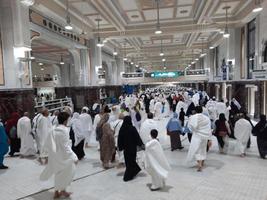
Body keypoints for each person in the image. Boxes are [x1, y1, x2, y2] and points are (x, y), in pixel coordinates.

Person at [40, 112, 78, 199]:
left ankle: (58, 191)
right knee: (69, 172)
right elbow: (66, 147)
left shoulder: (53, 129)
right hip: (64, 157)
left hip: (55, 156)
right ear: (65, 121)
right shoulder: (64, 130)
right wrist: (74, 157)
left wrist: (45, 154)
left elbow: (47, 143)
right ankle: (62, 190)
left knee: (58, 173)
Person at [185, 106, 212, 172]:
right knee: (202, 150)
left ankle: (199, 163)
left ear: (195, 111)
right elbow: (209, 128)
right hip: (204, 137)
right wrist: (209, 138)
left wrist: (194, 131)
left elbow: (191, 127)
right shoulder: (206, 118)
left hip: (196, 136)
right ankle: (201, 162)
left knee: (195, 150)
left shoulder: (193, 117)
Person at [118, 116, 144, 181]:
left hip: (126, 149)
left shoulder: (122, 129)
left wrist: (120, 147)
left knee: (128, 162)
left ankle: (132, 172)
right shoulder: (132, 128)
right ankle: (129, 176)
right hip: (132, 148)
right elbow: (137, 137)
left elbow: (119, 139)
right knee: (132, 161)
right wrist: (141, 144)